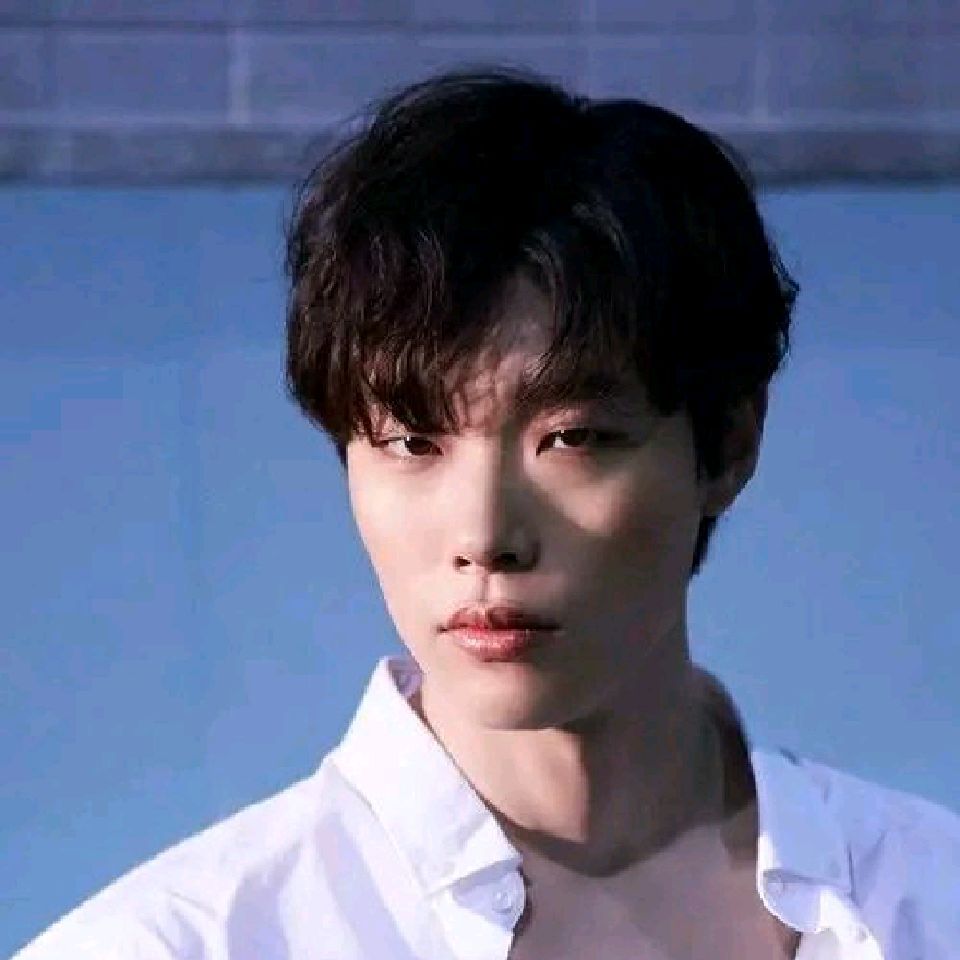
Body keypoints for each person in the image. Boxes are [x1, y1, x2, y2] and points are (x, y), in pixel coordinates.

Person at [13, 67, 959, 960]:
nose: (483, 537)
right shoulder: (175, 943)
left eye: (572, 438)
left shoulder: (929, 897)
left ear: (731, 445)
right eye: (412, 442)